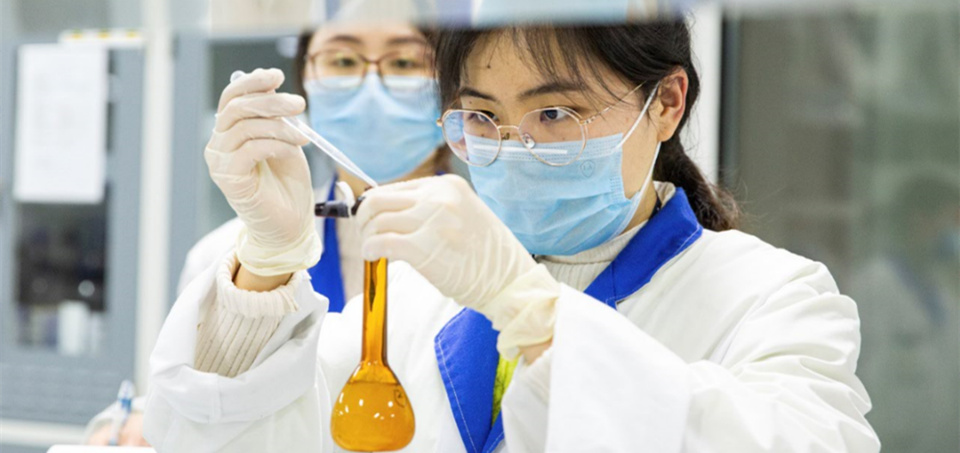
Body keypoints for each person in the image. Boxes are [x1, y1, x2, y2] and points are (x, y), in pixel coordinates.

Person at [143, 20, 880, 452]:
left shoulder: (771, 296)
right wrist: (266, 262)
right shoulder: (420, 292)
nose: (513, 146)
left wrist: (531, 309)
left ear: (666, 102)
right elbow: (241, 435)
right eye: (482, 117)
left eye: (555, 113)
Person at [84, 22, 446, 445]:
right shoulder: (233, 257)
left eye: (403, 62)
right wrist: (131, 424)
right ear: (305, 80)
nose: (371, 85)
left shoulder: (494, 259)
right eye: (344, 60)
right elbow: (203, 408)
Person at [851, 174, 959, 452]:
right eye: (953, 222)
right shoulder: (874, 286)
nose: (956, 234)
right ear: (920, 221)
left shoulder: (942, 294)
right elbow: (865, 382)